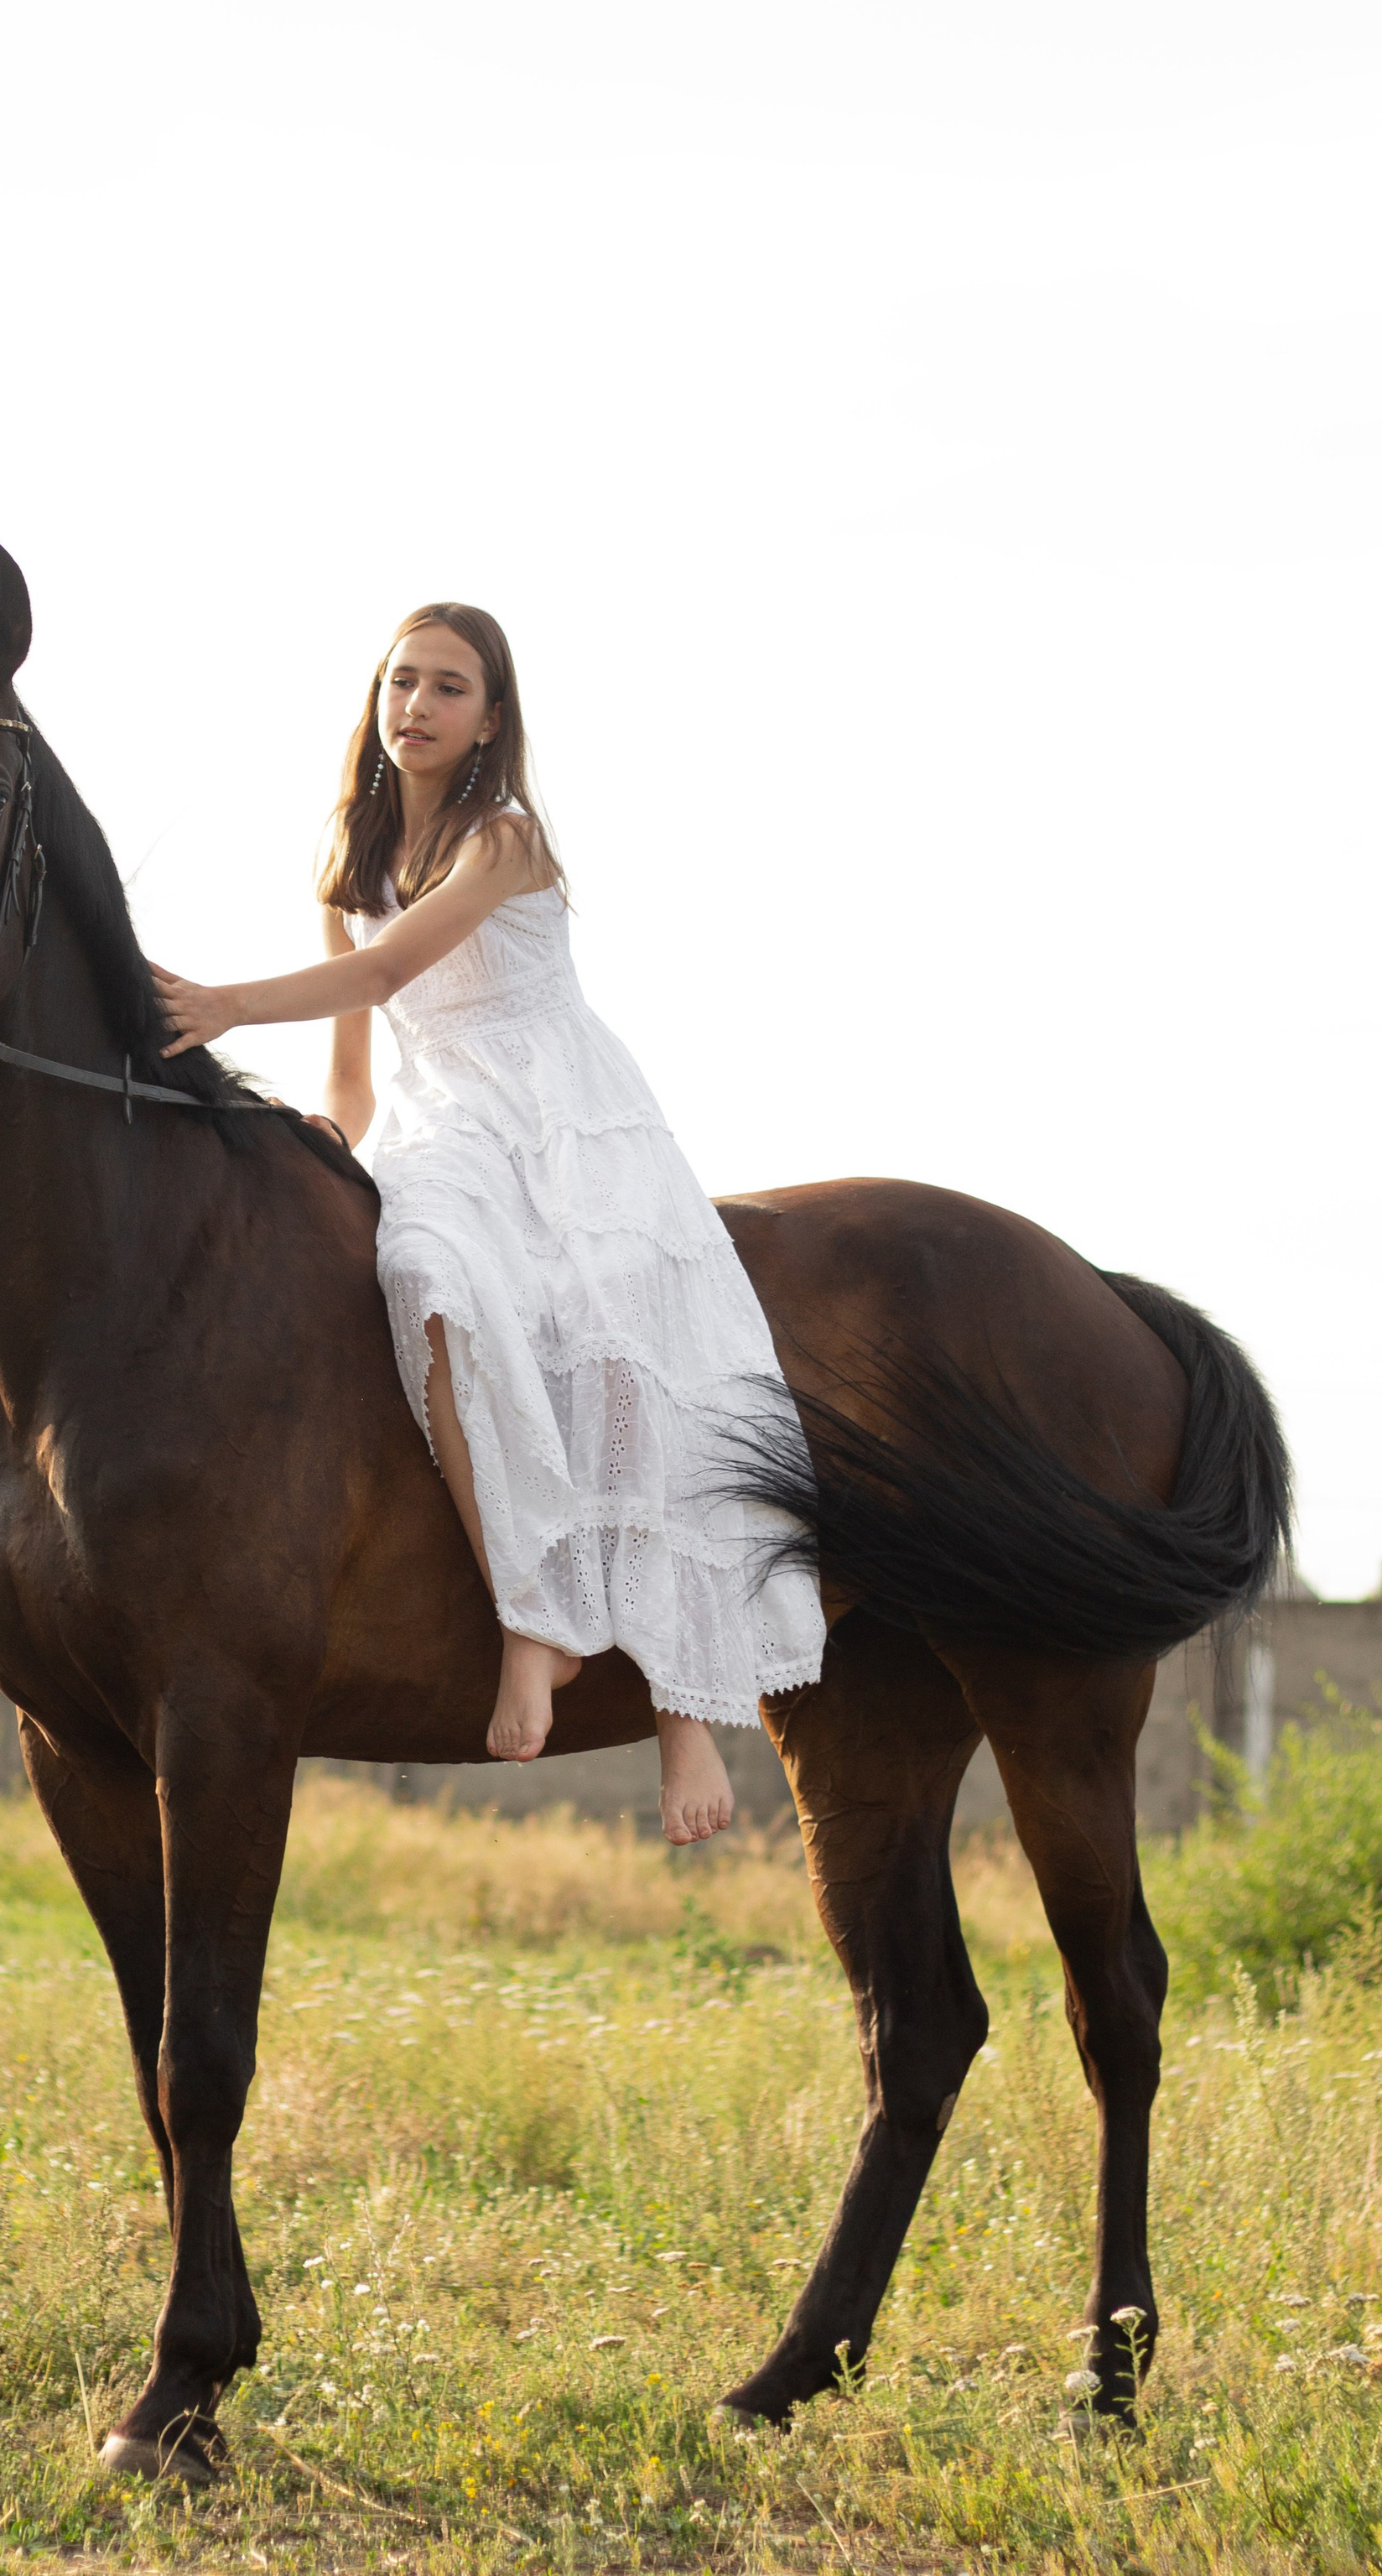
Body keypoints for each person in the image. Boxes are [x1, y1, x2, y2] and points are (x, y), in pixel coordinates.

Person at [150, 604, 824, 1842]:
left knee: (626, 1338)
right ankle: (533, 1616)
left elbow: (382, 976)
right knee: (421, 1269)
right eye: (400, 681)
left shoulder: (503, 840)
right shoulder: (346, 871)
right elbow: (354, 1087)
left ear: (490, 718)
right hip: (442, 1126)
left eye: (448, 687)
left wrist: (223, 1005)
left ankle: (689, 1717)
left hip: (562, 1115)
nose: (415, 705)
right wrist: (301, 1184)